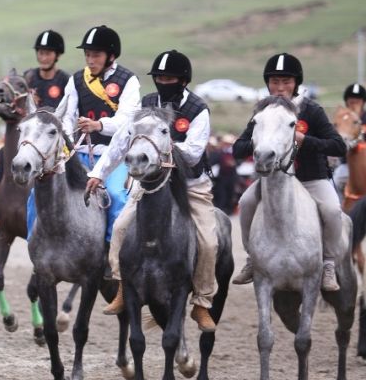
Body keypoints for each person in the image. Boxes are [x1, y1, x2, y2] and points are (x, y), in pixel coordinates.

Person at [87, 50, 217, 331]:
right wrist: (98, 174)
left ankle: (202, 302)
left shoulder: (198, 108)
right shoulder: (147, 104)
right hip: (150, 183)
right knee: (121, 227)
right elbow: (121, 142)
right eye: (158, 77)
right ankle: (122, 286)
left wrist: (158, 150)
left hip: (191, 185)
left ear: (183, 80)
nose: (162, 81)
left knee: (209, 241)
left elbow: (194, 153)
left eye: (168, 77)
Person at [232, 53, 346, 291]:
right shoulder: (262, 113)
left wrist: (305, 140)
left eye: (286, 82)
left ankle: (328, 264)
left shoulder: (311, 110)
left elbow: (337, 145)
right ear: (267, 83)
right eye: (274, 82)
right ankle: (252, 259)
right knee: (246, 202)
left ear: (296, 83)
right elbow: (238, 148)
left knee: (333, 210)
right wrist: (261, 143)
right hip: (273, 181)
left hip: (311, 179)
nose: (280, 87)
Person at [31, 25, 140, 250]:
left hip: (113, 158)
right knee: (37, 192)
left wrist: (99, 125)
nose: (90, 60)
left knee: (117, 196)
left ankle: (112, 250)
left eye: (96, 55)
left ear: (111, 56)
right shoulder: (77, 79)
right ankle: (36, 243)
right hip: (78, 155)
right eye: (87, 55)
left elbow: (126, 122)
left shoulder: (128, 81)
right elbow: (67, 117)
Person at [24, 30, 70, 109]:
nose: (44, 58)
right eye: (41, 53)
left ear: (58, 55)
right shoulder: (27, 78)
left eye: (48, 53)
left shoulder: (66, 81)